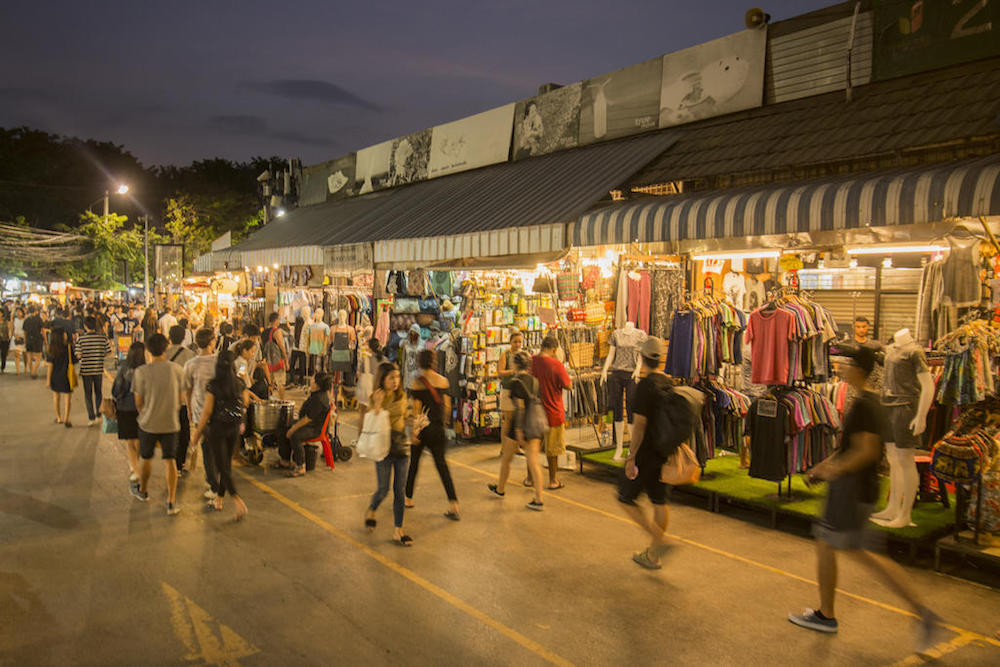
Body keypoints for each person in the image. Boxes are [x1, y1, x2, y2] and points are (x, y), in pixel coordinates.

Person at [789, 345, 941, 649]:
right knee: (862, 553)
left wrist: (833, 471)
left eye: (846, 364)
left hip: (850, 490)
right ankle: (922, 612)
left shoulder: (864, 406)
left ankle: (826, 614)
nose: (842, 368)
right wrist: (824, 466)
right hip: (860, 489)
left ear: (858, 369)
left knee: (828, 544)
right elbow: (854, 447)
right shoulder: (872, 401)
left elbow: (866, 451)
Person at [618, 337, 677, 569]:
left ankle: (659, 541)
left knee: (625, 496)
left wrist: (631, 455)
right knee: (659, 500)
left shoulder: (645, 386)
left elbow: (640, 425)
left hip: (647, 452)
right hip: (665, 450)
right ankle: (654, 555)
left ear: (641, 358)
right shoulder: (668, 383)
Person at [190, 350, 254, 520]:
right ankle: (219, 499)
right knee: (226, 465)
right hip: (234, 428)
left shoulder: (214, 385)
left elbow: (207, 412)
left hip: (217, 429)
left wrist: (196, 435)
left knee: (222, 468)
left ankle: (238, 501)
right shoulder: (239, 383)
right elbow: (245, 401)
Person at [132, 333, 185, 515]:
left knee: (145, 458)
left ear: (148, 351)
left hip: (148, 423)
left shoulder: (141, 372)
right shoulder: (177, 370)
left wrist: (146, 413)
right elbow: (181, 398)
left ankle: (143, 491)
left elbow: (138, 402)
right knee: (170, 460)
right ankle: (171, 502)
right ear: (166, 348)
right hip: (171, 422)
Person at [405, 349, 460, 520]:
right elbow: (448, 407)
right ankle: (454, 504)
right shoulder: (443, 381)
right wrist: (442, 424)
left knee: (414, 464)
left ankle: (408, 498)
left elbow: (416, 410)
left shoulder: (417, 383)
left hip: (422, 429)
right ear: (434, 362)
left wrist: (413, 433)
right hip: (437, 429)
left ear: (420, 362)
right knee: (442, 466)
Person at [364, 362, 413, 546]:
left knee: (400, 491)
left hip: (401, 446)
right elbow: (372, 423)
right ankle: (372, 508)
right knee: (383, 489)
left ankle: (398, 530)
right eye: (391, 377)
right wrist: (376, 406)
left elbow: (406, 418)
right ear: (382, 379)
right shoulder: (375, 397)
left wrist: (415, 425)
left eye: (398, 377)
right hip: (383, 448)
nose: (395, 381)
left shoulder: (402, 396)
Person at [489, 350, 545, 510]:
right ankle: (539, 498)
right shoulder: (534, 381)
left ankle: (500, 489)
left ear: (515, 364)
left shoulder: (515, 382)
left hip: (519, 426)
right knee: (534, 462)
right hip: (535, 424)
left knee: (506, 459)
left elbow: (519, 408)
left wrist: (519, 430)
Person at [530, 335, 571, 490]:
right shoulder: (556, 365)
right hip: (553, 411)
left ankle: (529, 478)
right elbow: (568, 385)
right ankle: (553, 480)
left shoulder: (531, 361)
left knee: (532, 447)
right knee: (552, 450)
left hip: (534, 411)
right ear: (554, 350)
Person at [184, 328, 219, 498]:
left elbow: (188, 390)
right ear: (212, 341)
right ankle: (214, 479)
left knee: (207, 447)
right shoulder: (220, 362)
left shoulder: (191, 364)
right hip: (219, 411)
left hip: (199, 410)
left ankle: (212, 481)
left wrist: (189, 410)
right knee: (215, 446)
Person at [277, 372, 333, 476]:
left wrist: (293, 428)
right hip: (309, 424)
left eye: (313, 380)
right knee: (282, 427)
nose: (310, 382)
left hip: (315, 428)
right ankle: (285, 460)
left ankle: (300, 466)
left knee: (295, 436)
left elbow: (307, 419)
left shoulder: (319, 399)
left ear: (317, 384)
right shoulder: (317, 394)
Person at [113, 342, 146, 489]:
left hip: (125, 407)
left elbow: (116, 389)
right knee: (137, 439)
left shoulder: (124, 368)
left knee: (129, 441)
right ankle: (136, 466)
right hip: (142, 409)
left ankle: (135, 469)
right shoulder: (145, 370)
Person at [166, 325, 196, 473]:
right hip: (184, 400)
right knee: (184, 432)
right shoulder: (190, 355)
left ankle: (170, 464)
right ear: (184, 337)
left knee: (170, 433)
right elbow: (192, 381)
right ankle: (180, 464)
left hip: (167, 401)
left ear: (169, 337)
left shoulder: (163, 354)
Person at [76, 316, 112, 426]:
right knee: (98, 392)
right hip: (98, 369)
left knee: (88, 394)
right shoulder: (102, 338)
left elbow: (78, 355)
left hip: (86, 370)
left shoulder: (81, 339)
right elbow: (108, 352)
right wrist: (99, 354)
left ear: (85, 326)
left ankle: (91, 417)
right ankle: (99, 414)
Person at [498, 330, 524, 454]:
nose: (517, 344)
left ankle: (516, 447)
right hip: (508, 390)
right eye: (515, 342)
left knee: (518, 420)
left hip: (520, 391)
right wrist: (513, 372)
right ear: (510, 342)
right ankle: (504, 448)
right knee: (508, 420)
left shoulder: (524, 355)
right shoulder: (505, 354)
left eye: (519, 342)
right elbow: (500, 372)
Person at [46, 328, 77, 427]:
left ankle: (59, 418)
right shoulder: (69, 347)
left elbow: (50, 366)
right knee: (67, 399)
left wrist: (48, 380)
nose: (65, 336)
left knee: (56, 397)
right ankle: (67, 419)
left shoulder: (51, 349)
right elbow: (74, 360)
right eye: (64, 334)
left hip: (55, 377)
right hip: (67, 376)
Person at [263, 312, 289, 400]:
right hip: (277, 361)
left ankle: (270, 401)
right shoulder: (277, 331)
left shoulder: (264, 332)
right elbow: (282, 347)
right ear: (276, 320)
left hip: (267, 362)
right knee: (281, 383)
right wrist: (286, 359)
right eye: (279, 319)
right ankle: (281, 401)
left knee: (269, 383)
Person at [22, 304, 45, 379]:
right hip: (37, 339)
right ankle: (33, 372)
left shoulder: (26, 320)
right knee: (38, 357)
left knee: (29, 357)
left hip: (28, 340)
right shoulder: (39, 319)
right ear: (35, 311)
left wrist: (25, 341)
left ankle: (31, 372)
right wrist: (46, 340)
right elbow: (43, 330)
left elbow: (24, 332)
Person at [398, 323, 423, 389]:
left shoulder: (422, 346)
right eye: (411, 334)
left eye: (415, 334)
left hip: (418, 373)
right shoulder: (406, 345)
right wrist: (402, 371)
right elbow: (403, 359)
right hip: (407, 372)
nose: (413, 336)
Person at [11, 306, 26, 375]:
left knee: (24, 354)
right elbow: (12, 329)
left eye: (19, 312)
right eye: (17, 312)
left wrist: (25, 337)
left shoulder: (25, 320)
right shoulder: (14, 320)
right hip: (16, 338)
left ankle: (25, 367)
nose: (18, 313)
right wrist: (14, 335)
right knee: (16, 354)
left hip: (23, 338)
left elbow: (26, 330)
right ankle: (18, 370)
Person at [0, 306, 10, 374]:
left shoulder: (5, 321)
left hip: (4, 340)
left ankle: (2, 368)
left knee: (3, 354)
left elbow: (8, 330)